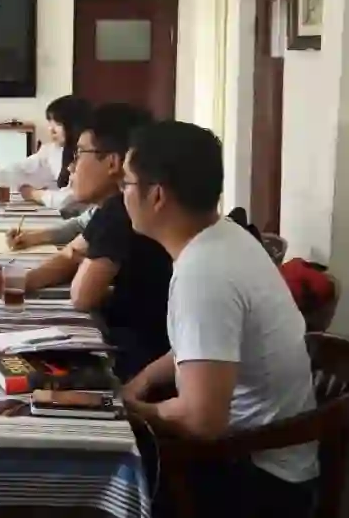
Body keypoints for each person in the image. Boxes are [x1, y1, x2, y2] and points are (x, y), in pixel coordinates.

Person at [120, 121, 317, 517]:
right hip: (266, 457)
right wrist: (139, 383)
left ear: (156, 195)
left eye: (125, 183)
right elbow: (203, 346)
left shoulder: (204, 272)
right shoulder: (225, 236)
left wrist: (133, 412)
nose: (120, 193)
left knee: (95, 465)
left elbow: (202, 420)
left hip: (254, 479)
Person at [15, 103, 172, 381]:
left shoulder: (120, 212)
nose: (71, 166)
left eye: (79, 154)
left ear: (112, 162)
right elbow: (70, 255)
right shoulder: (110, 208)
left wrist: (82, 268)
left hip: (137, 361)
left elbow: (81, 296)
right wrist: (21, 282)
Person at [0, 95, 91, 209]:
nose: (51, 129)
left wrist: (32, 194)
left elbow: (70, 200)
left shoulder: (89, 155)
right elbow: (21, 168)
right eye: (50, 123)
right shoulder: (53, 150)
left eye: (58, 124)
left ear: (75, 125)